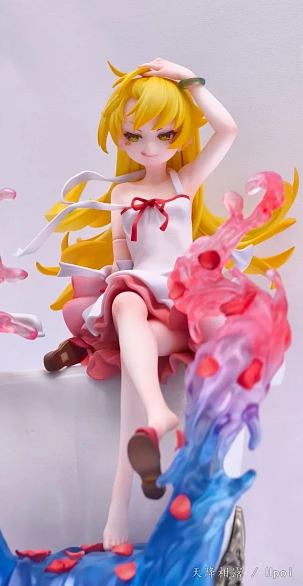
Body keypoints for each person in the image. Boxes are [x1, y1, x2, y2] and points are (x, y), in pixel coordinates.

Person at [15, 58, 297, 549]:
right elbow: (123, 258)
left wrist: (186, 78)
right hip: (142, 296)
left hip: (185, 301)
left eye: (163, 135)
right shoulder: (121, 193)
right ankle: (154, 420)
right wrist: (109, 279)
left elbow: (227, 129)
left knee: (132, 345)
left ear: (178, 135)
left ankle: (118, 510)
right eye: (134, 135)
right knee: (125, 308)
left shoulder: (183, 181)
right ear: (119, 137)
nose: (148, 147)